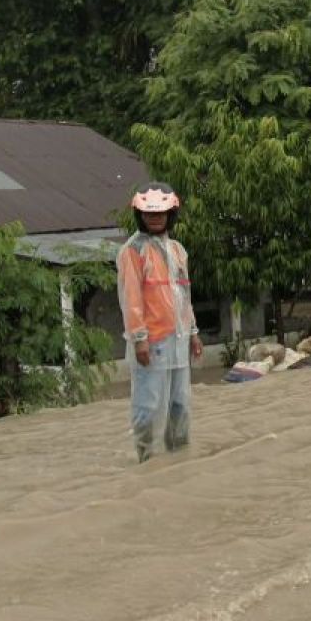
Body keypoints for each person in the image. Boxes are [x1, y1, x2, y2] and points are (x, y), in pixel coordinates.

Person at [116, 182, 203, 462]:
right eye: (149, 214)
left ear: (171, 214)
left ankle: (178, 461)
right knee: (149, 406)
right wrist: (139, 339)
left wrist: (192, 332)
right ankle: (147, 459)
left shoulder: (178, 250)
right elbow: (131, 299)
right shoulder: (133, 251)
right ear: (139, 215)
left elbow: (183, 294)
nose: (155, 218)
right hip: (152, 343)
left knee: (180, 404)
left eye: (161, 213)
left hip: (178, 339)